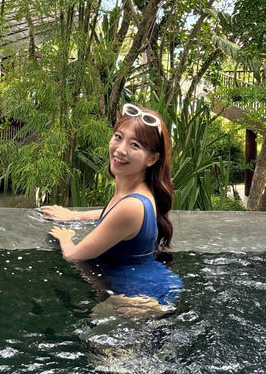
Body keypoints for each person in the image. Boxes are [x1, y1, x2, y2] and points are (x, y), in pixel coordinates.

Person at [41, 104, 182, 309]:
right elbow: (113, 215)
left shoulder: (131, 206)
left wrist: (66, 238)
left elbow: (74, 255)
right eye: (118, 137)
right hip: (146, 285)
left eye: (135, 145)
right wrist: (74, 215)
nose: (121, 149)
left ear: (152, 158)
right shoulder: (137, 193)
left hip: (136, 300)